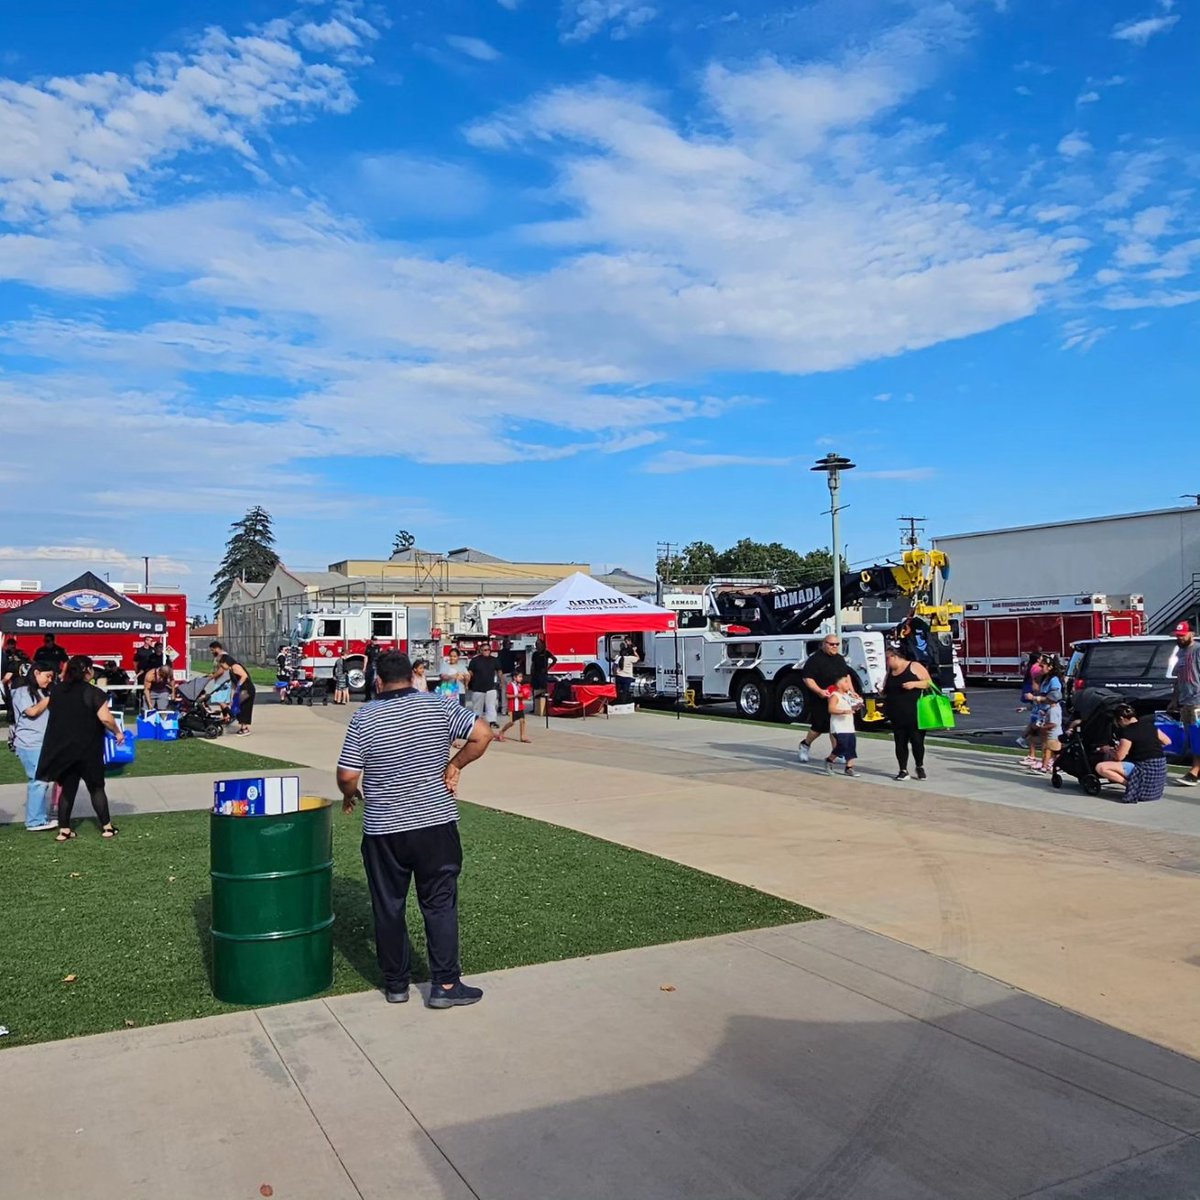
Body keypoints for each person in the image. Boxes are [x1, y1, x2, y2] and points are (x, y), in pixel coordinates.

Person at [336, 651, 493, 1008]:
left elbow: (347, 775)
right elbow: (482, 734)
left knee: (388, 906)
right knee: (439, 903)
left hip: (383, 829)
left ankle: (396, 984)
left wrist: (350, 795)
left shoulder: (364, 717)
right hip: (434, 823)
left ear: (377, 681)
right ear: (412, 676)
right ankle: (446, 986)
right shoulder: (439, 706)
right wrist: (454, 766)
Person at [37, 655, 123, 840]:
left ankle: (64, 830)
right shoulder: (93, 692)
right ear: (87, 671)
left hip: (64, 748)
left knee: (68, 789)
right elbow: (106, 718)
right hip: (88, 748)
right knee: (96, 787)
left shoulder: (58, 691)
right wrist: (117, 732)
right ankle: (107, 827)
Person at [11, 663, 59, 831]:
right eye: (47, 676)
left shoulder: (40, 691)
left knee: (42, 780)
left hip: (40, 742)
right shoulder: (22, 691)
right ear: (36, 673)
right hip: (30, 743)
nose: (50, 680)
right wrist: (49, 699)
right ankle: (35, 821)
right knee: (38, 781)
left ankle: (40, 817)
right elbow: (31, 712)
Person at [797, 635, 859, 764]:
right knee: (819, 727)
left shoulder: (840, 659)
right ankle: (805, 744)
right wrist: (819, 691)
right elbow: (807, 678)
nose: (835, 646)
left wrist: (852, 692)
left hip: (838, 697)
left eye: (837, 644)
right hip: (820, 698)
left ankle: (837, 752)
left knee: (835, 728)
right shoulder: (814, 660)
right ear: (824, 644)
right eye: (831, 644)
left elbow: (846, 676)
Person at [1095, 703, 1170, 801]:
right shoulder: (1150, 726)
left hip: (1144, 768)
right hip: (1159, 768)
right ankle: (1135, 785)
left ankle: (1131, 786)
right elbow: (1167, 741)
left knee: (1101, 767)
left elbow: (1119, 757)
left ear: (1121, 718)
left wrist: (1107, 749)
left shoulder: (1128, 732)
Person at [882, 642, 932, 780]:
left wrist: (914, 684)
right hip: (896, 713)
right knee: (900, 742)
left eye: (888, 658)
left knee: (917, 741)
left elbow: (928, 682)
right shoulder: (890, 672)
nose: (887, 662)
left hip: (915, 712)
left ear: (895, 656)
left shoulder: (914, 666)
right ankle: (903, 769)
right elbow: (886, 688)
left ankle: (919, 766)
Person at [1171, 621, 1200, 786]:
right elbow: (1178, 679)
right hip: (1186, 701)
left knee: (1198, 737)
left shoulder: (1197, 650)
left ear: (1191, 634)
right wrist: (1174, 699)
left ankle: (1194, 773)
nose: (1180, 638)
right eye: (1177, 635)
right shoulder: (1181, 653)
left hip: (1198, 701)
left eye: (1182, 635)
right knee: (1191, 737)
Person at [1030, 654, 1065, 774]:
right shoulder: (1046, 678)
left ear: (1050, 667)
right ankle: (1045, 761)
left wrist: (1037, 698)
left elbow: (1054, 696)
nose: (1040, 668)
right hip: (1043, 712)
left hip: (1047, 713)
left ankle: (1048, 763)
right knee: (1044, 740)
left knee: (1049, 744)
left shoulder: (1054, 680)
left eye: (1042, 666)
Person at [824, 674, 861, 776]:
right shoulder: (835, 696)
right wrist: (844, 711)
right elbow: (831, 709)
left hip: (849, 726)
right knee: (842, 745)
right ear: (839, 684)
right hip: (839, 726)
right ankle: (829, 760)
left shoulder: (847, 696)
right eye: (845, 682)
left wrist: (856, 706)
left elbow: (851, 707)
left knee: (851, 746)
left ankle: (849, 767)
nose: (848, 684)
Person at [217, 652, 256, 736]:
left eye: (222, 664)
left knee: (242, 707)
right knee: (236, 706)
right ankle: (242, 726)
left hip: (247, 689)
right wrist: (232, 696)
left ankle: (244, 728)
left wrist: (239, 686)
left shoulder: (235, 666)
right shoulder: (230, 670)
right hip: (242, 690)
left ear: (226, 662)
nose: (222, 667)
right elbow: (233, 685)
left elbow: (244, 676)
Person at [1017, 652, 1045, 760]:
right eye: (1041, 658)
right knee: (1037, 727)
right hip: (1035, 698)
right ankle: (1024, 740)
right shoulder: (1036, 668)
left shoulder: (1032, 667)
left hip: (1034, 699)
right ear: (1037, 659)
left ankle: (1024, 740)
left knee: (1034, 724)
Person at [466, 644, 501, 728]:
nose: (487, 651)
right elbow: (470, 673)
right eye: (485, 650)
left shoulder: (494, 660)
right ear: (481, 650)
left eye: (489, 649)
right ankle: (477, 721)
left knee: (491, 706)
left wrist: (501, 683)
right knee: (477, 707)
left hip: (491, 687)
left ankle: (492, 721)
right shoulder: (474, 660)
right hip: (477, 687)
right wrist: (467, 684)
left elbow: (499, 671)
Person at [497, 668, 533, 743]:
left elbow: (522, 695)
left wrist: (526, 696)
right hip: (513, 707)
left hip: (520, 706)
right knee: (511, 723)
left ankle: (522, 736)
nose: (521, 678)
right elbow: (508, 696)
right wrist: (517, 695)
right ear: (514, 677)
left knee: (522, 721)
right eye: (519, 677)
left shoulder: (520, 685)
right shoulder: (510, 685)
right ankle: (501, 732)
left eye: (521, 677)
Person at [530, 637, 557, 716]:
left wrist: (548, 668)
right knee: (535, 690)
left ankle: (544, 707)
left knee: (543, 690)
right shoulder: (535, 654)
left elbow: (554, 659)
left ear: (542, 644)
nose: (537, 645)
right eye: (536, 644)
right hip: (535, 674)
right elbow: (533, 664)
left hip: (543, 674)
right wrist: (531, 673)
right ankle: (535, 707)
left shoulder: (546, 653)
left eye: (538, 644)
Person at [613, 639, 641, 704]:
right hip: (627, 677)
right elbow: (638, 658)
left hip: (619, 676)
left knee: (618, 691)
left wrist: (615, 673)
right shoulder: (630, 658)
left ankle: (618, 701)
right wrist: (634, 651)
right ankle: (624, 702)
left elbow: (614, 666)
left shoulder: (618, 657)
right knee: (625, 691)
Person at [497, 637, 519, 716]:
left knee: (503, 693)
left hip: (502, 674)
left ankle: (503, 709)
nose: (510, 645)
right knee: (511, 693)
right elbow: (518, 660)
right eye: (509, 644)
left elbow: (498, 664)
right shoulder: (511, 653)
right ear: (506, 645)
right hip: (510, 674)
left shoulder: (500, 653)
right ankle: (511, 709)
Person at [364, 636, 381, 700]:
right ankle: (367, 697)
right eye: (374, 640)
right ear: (371, 640)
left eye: (376, 640)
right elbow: (366, 657)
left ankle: (377, 697)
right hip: (369, 665)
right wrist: (364, 667)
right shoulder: (368, 647)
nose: (375, 641)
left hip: (376, 665)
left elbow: (380, 657)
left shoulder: (378, 647)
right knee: (368, 681)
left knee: (375, 681)